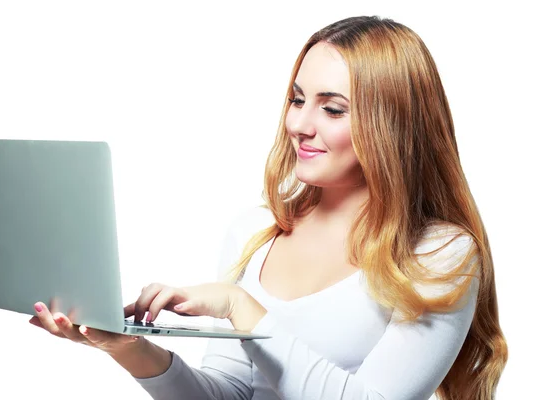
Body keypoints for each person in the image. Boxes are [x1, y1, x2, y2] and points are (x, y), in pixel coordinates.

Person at [29, 15, 508, 400]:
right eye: (297, 99)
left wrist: (242, 306)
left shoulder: (440, 255)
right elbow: (230, 394)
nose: (300, 123)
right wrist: (127, 348)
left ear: (394, 123)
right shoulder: (256, 232)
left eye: (332, 108)